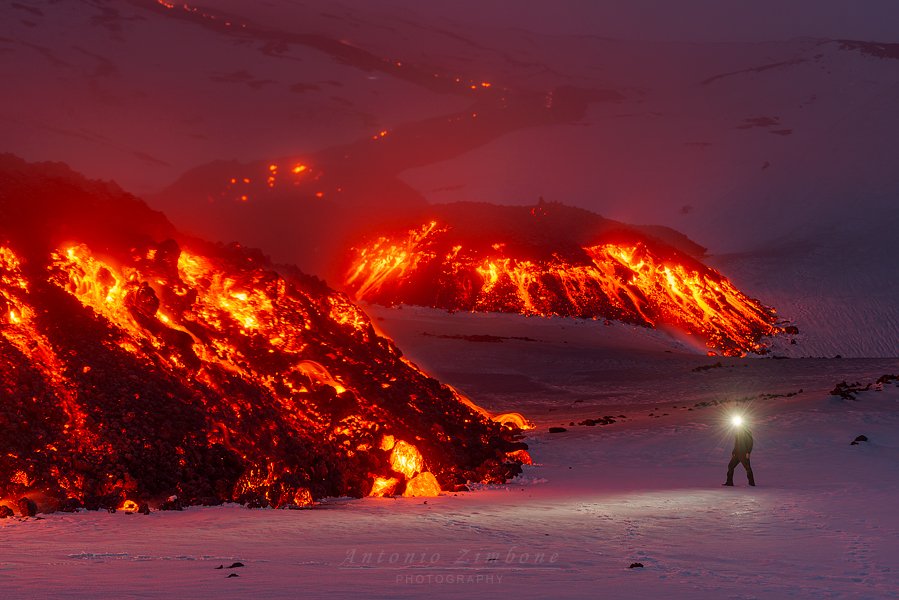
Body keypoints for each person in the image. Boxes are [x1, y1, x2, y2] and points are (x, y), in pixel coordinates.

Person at [724, 420, 755, 486]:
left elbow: (750, 443)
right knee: (730, 466)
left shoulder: (747, 432)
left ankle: (751, 483)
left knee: (747, 468)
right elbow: (736, 443)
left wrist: (748, 452)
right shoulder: (737, 432)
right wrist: (734, 451)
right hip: (737, 453)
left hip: (743, 453)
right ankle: (729, 482)